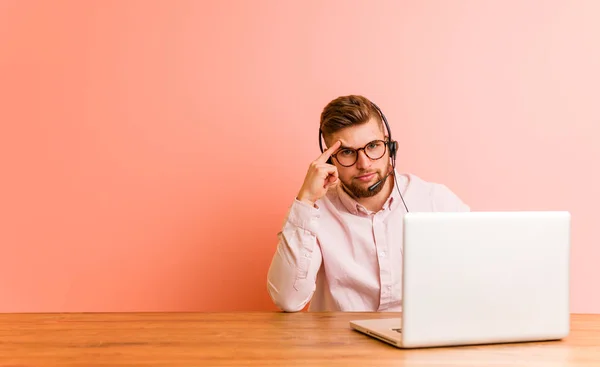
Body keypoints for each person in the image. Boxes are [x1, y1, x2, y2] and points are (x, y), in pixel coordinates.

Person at [267, 95, 470, 312]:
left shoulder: (435, 201)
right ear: (329, 159)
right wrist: (306, 200)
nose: (364, 164)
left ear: (390, 145)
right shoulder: (312, 212)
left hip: (421, 341)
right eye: (346, 152)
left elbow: (478, 278)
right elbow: (288, 299)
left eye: (373, 146)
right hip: (342, 344)